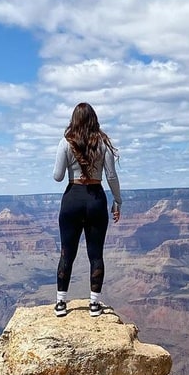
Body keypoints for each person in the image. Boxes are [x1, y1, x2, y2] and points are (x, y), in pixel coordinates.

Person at [52, 102, 122, 318]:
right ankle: (94, 304)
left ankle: (61, 303)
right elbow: (111, 176)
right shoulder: (103, 143)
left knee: (67, 252)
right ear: (94, 119)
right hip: (96, 199)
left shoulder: (66, 142)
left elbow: (58, 176)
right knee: (96, 254)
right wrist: (117, 200)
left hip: (72, 198)